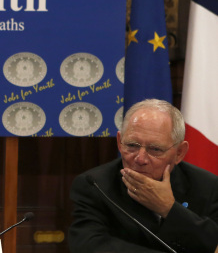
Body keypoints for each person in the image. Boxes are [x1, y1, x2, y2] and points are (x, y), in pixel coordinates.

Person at [69, 99, 218, 253]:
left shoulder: (207, 187)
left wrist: (169, 209)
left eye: (155, 149)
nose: (140, 159)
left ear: (179, 153)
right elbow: (87, 245)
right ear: (120, 142)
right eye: (132, 145)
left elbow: (213, 243)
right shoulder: (95, 185)